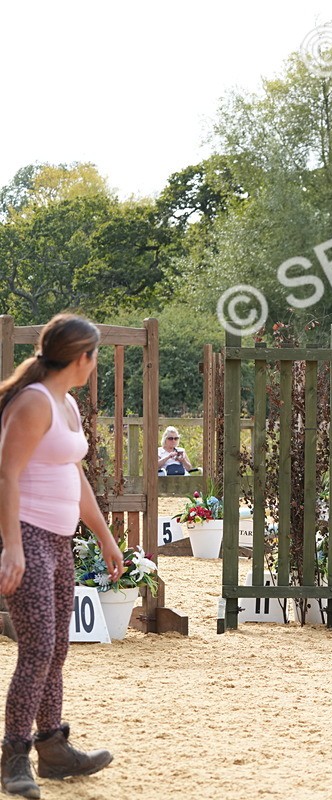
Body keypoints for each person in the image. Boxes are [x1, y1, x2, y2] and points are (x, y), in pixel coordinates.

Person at [0, 313, 119, 799]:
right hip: (28, 536)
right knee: (38, 651)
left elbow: (77, 479)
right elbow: (5, 475)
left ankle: (52, 749)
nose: (95, 366)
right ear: (81, 356)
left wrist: (107, 539)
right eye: (95, 356)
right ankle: (13, 759)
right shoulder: (33, 403)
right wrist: (11, 547)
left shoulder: (66, 404)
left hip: (58, 539)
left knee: (57, 649)